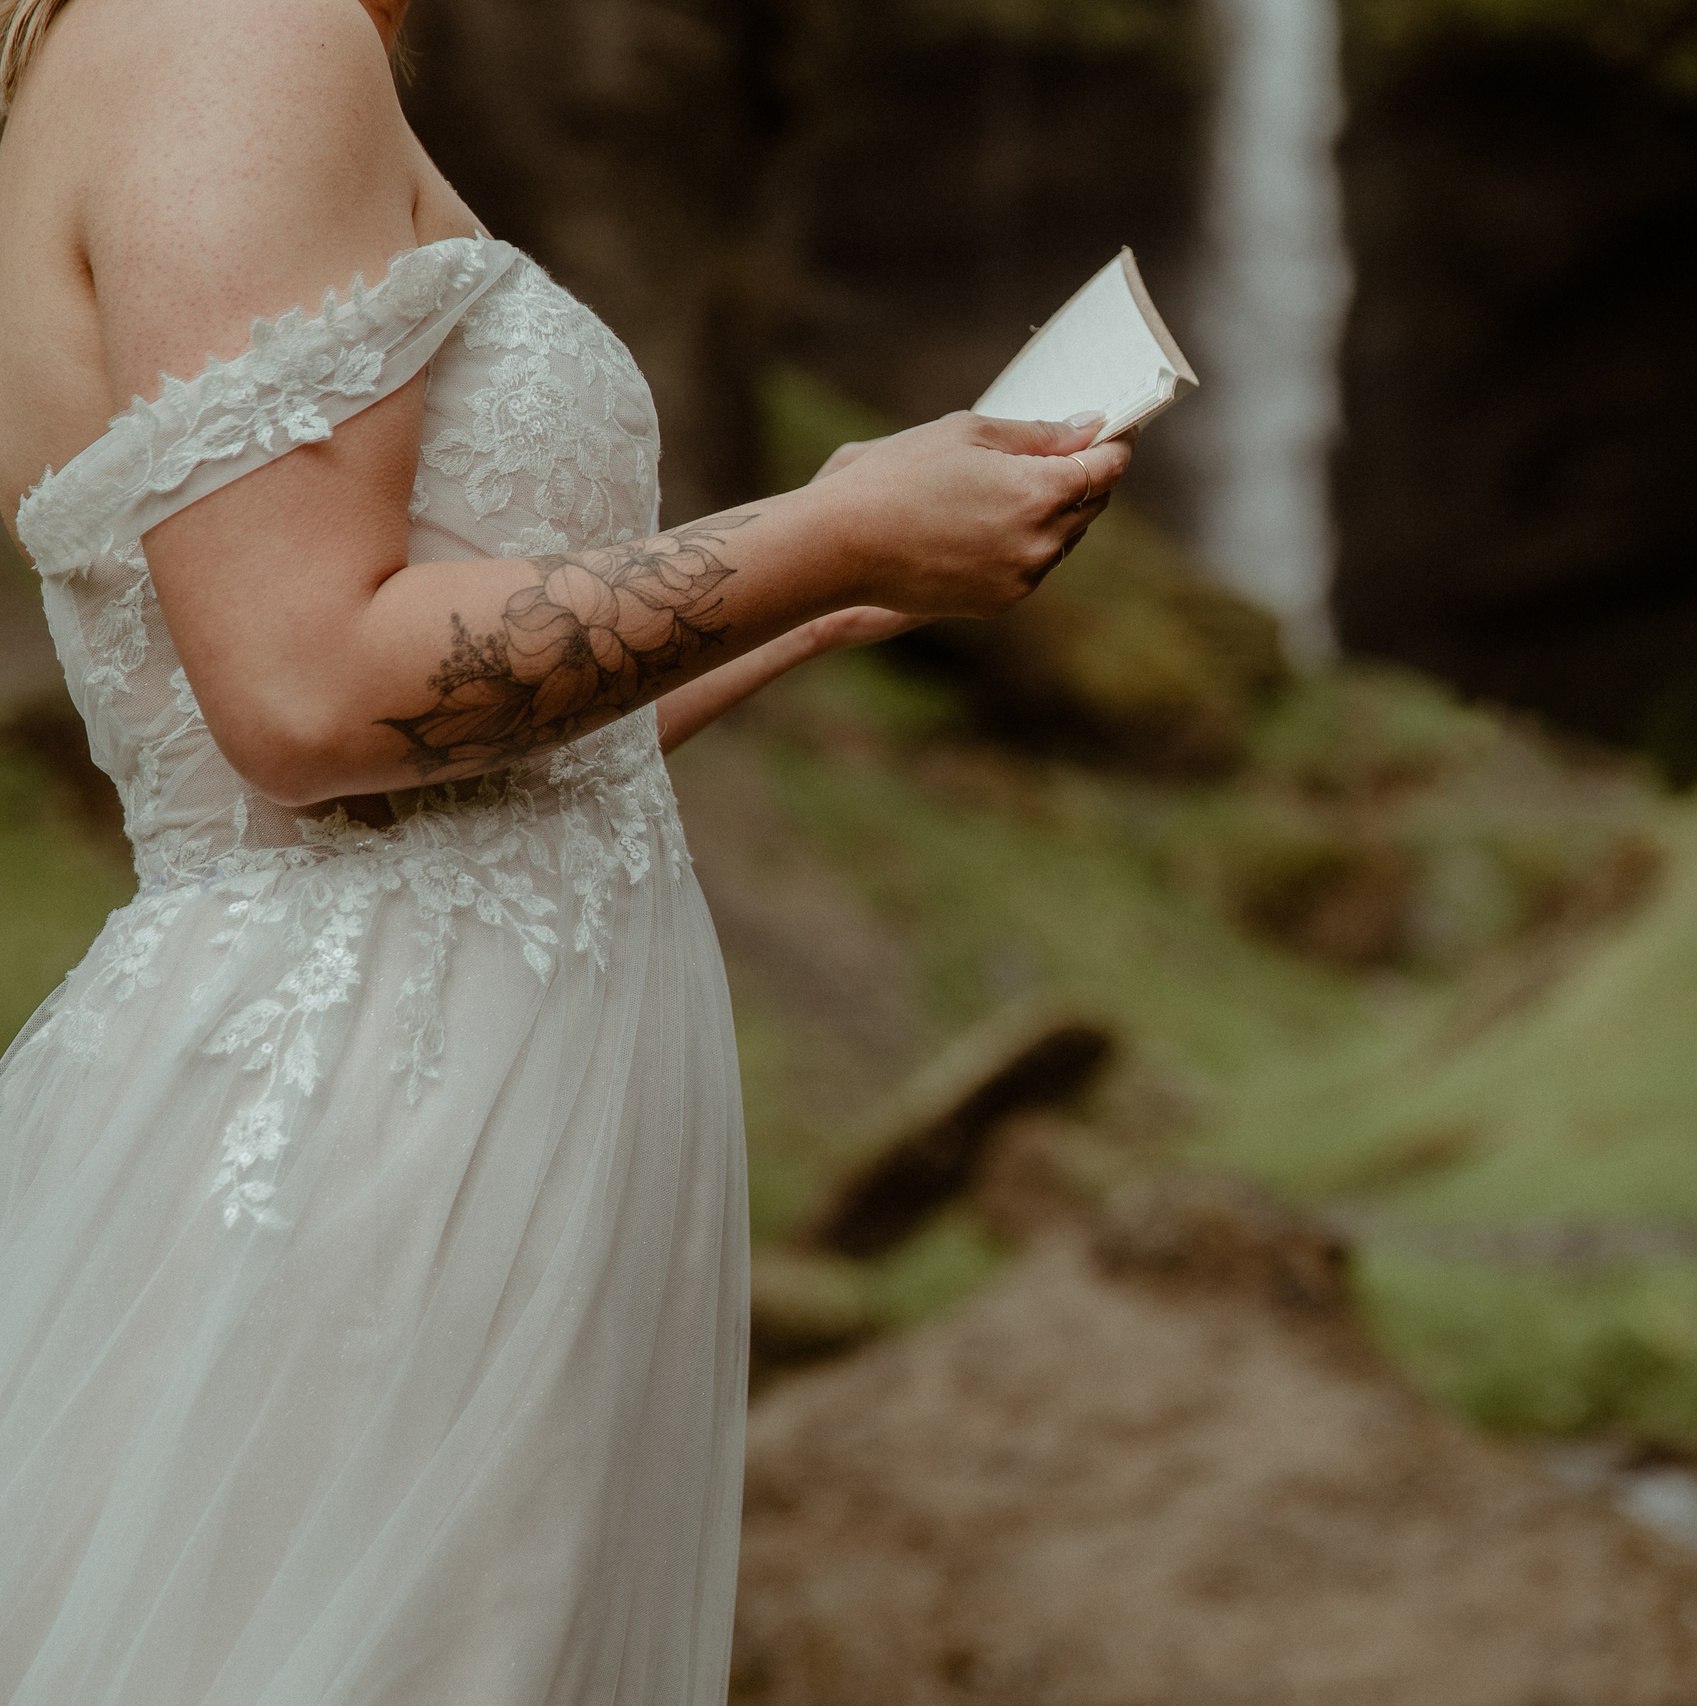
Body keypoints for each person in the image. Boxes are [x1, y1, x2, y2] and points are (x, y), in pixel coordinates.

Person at [0, 0, 1129, 1698]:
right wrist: (826, 529)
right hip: (380, 1137)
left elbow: (475, 776)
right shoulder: (241, 33)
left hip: (473, 1114)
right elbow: (305, 692)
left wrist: (826, 591)